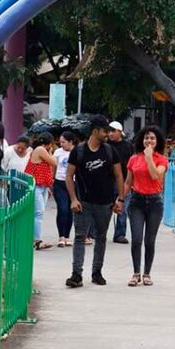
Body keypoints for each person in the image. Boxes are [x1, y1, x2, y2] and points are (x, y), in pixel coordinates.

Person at [65, 115, 124, 288]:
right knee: (79, 236)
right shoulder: (79, 151)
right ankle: (76, 274)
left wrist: (120, 199)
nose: (107, 134)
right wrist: (73, 199)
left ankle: (97, 272)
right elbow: (69, 176)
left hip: (105, 203)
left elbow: (119, 175)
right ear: (95, 131)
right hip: (83, 202)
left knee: (101, 237)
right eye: (105, 130)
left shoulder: (109, 151)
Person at [121, 126, 169, 287]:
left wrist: (149, 158)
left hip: (155, 202)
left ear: (158, 141)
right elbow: (128, 182)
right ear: (141, 140)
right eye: (146, 138)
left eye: (152, 138)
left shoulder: (161, 159)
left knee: (149, 240)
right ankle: (136, 273)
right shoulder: (134, 158)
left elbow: (156, 175)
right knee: (136, 239)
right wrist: (120, 199)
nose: (149, 141)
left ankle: (147, 273)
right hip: (137, 201)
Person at [25, 132, 57, 250]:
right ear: (48, 143)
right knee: (38, 213)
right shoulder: (40, 149)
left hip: (42, 186)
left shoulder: (40, 150)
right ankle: (36, 240)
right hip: (36, 186)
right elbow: (54, 162)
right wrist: (51, 152)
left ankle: (35, 239)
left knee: (38, 213)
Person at [109, 121, 134, 244]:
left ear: (120, 132)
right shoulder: (106, 145)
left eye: (113, 131)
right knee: (104, 208)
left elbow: (132, 164)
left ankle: (119, 234)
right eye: (109, 131)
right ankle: (95, 232)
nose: (111, 134)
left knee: (122, 208)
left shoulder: (128, 146)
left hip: (124, 181)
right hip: (108, 181)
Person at [53, 131, 77, 247]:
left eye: (64, 142)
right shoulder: (58, 152)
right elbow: (54, 166)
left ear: (70, 142)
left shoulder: (76, 152)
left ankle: (67, 236)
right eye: (60, 142)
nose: (61, 144)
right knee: (62, 208)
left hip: (72, 183)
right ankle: (61, 236)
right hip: (59, 182)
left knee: (70, 210)